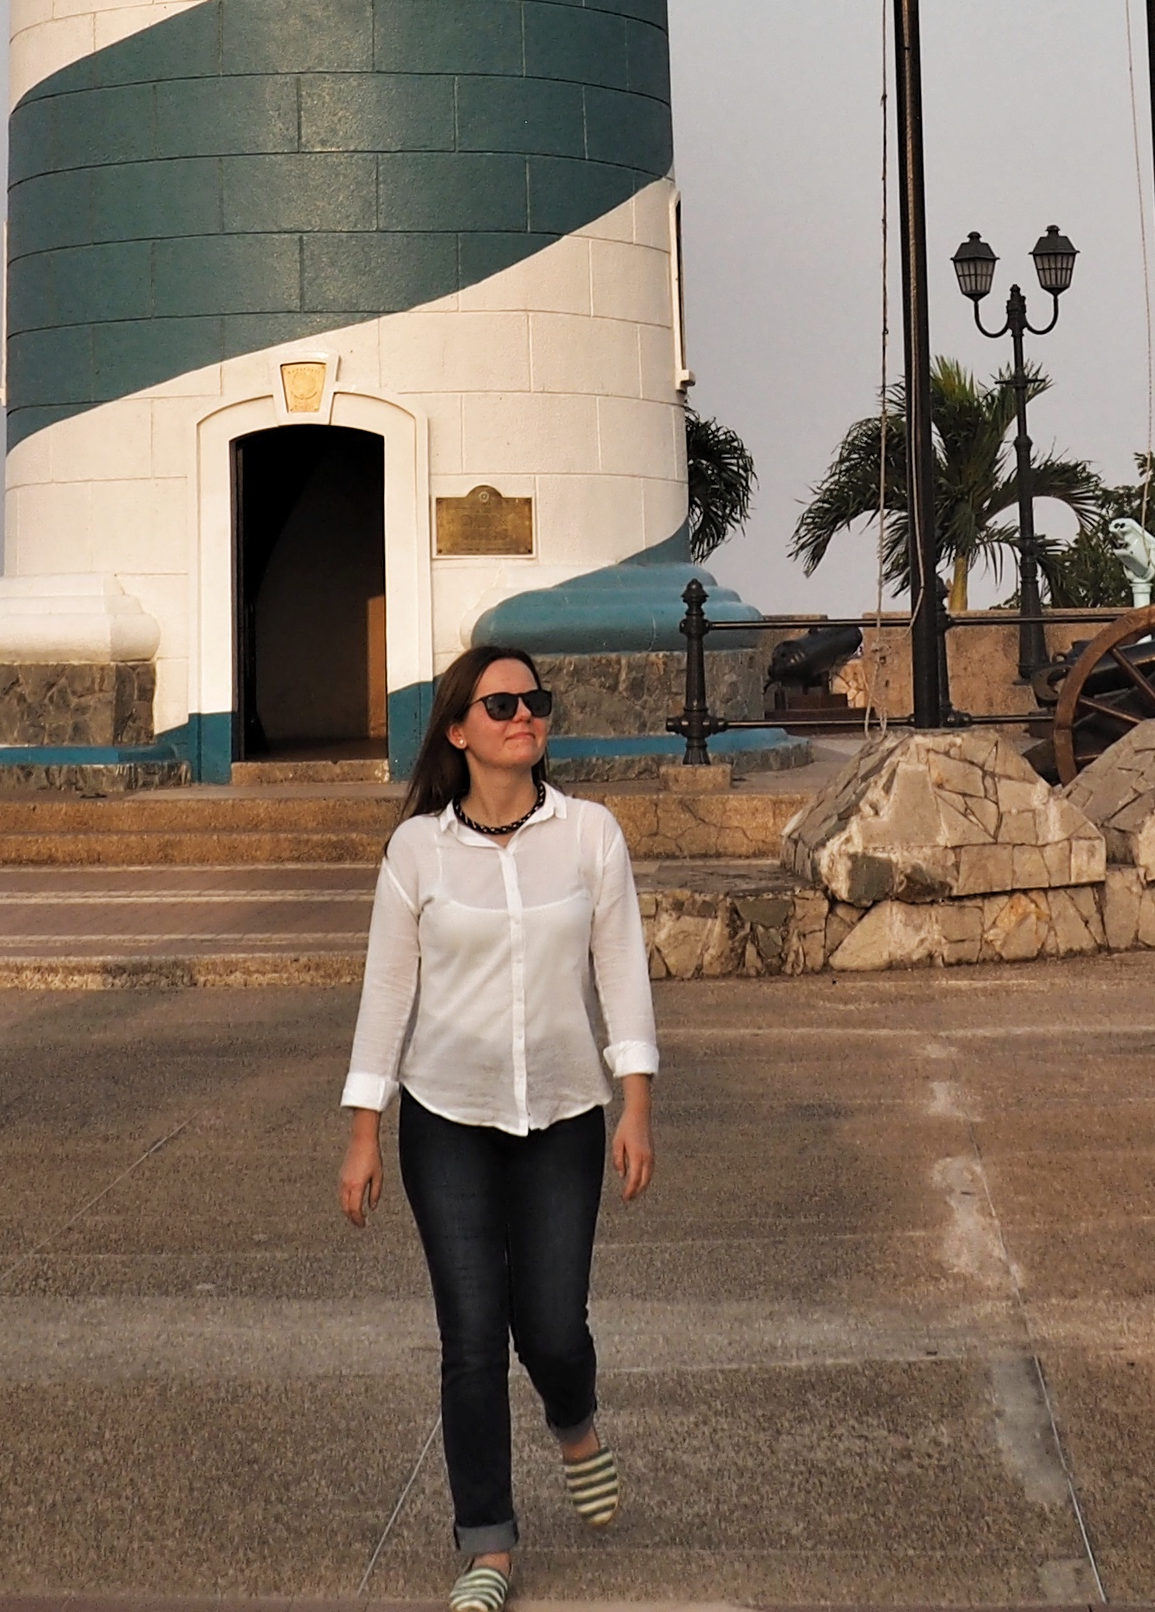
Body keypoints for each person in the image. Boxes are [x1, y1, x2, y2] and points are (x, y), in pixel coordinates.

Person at [339, 642, 655, 1612]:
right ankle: (488, 1543)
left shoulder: (591, 835)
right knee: (472, 1337)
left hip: (563, 1115)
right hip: (448, 1121)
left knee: (554, 1326)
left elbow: (621, 968)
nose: (526, 715)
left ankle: (575, 1420)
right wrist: (362, 1127)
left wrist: (634, 1097)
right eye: (502, 703)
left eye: (535, 701)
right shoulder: (418, 851)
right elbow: (389, 988)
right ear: (458, 729)